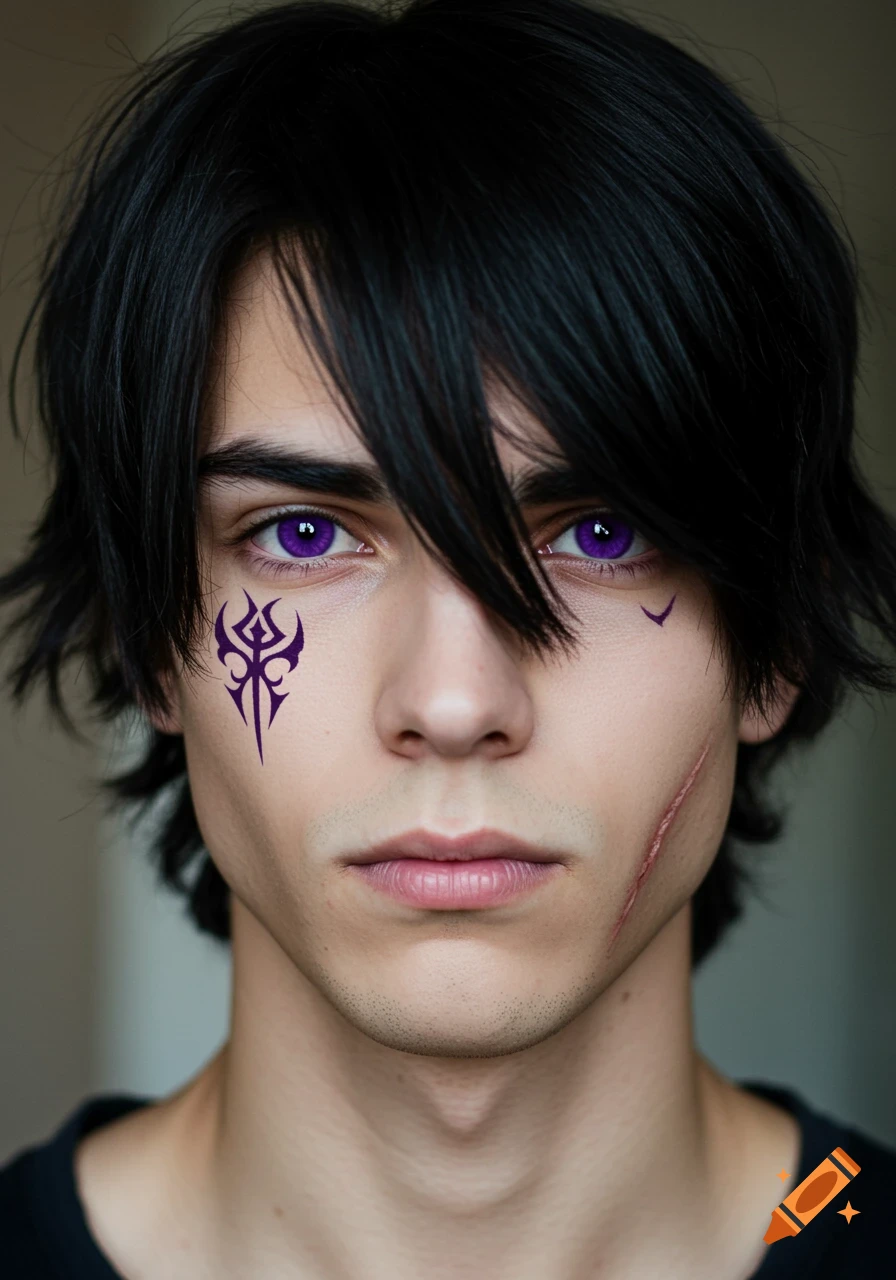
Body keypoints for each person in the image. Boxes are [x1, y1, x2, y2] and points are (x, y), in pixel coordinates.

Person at [2, 1, 895, 1276]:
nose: (455, 697)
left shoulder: (857, 1222)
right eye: (303, 535)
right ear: (149, 634)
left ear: (774, 642)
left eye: (599, 532)